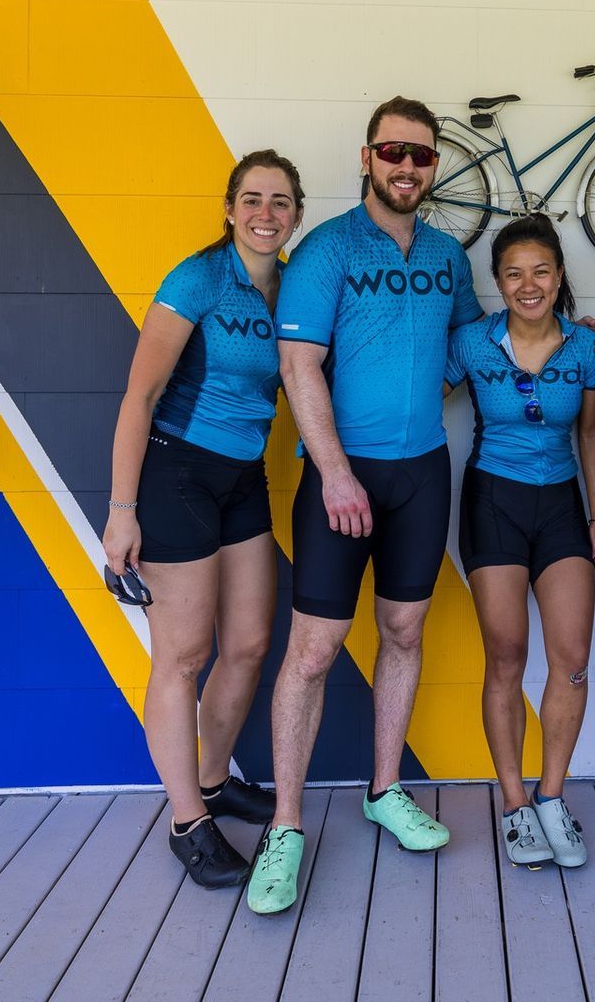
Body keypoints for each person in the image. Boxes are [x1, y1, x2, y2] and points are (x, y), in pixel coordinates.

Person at [246, 95, 484, 915]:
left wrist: (566, 336)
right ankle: (285, 826)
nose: (407, 167)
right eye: (394, 152)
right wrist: (338, 470)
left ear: (435, 165)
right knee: (312, 651)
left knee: (405, 630)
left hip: (421, 472)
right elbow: (299, 364)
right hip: (337, 481)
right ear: (367, 156)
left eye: (421, 156)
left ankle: (384, 790)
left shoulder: (451, 255)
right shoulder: (325, 249)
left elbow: (470, 347)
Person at [100, 149, 304, 890]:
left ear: (296, 215)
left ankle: (215, 781)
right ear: (229, 207)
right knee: (182, 657)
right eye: (252, 198)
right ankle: (188, 821)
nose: (265, 213)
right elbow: (137, 396)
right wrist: (122, 512)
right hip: (176, 471)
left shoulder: (294, 285)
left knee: (248, 644)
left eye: (280, 202)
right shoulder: (198, 278)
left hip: (243, 477)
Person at [446, 215, 595, 870]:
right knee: (506, 658)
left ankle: (551, 797)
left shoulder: (586, 346)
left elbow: (590, 435)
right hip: (493, 502)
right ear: (498, 282)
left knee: (571, 659)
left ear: (560, 275)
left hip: (562, 506)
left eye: (541, 270)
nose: (528, 283)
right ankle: (514, 806)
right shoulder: (471, 340)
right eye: (513, 272)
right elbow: (415, 394)